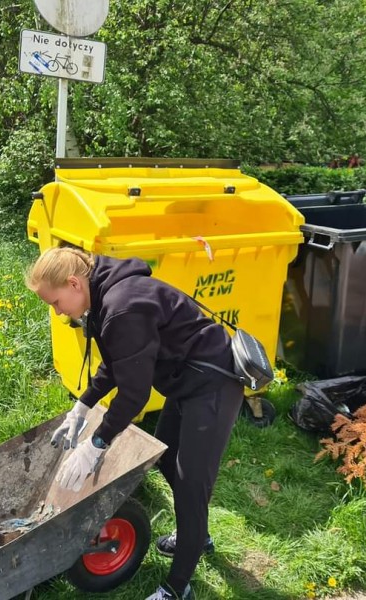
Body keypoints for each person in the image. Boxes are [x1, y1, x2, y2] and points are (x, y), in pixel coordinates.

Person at [25, 246, 244, 600]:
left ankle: (176, 588)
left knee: (191, 484)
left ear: (73, 283)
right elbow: (116, 362)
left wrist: (96, 444)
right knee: (169, 455)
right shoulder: (102, 298)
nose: (58, 312)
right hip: (185, 378)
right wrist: (82, 405)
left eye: (55, 302)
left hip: (212, 383)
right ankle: (196, 535)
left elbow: (133, 395)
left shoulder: (122, 306)